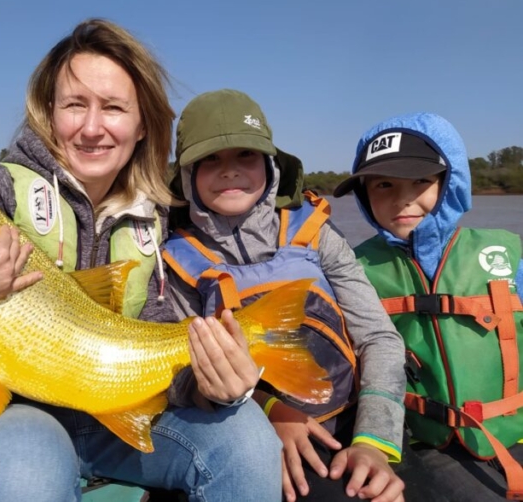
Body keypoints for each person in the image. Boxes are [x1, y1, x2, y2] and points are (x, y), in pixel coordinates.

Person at [0, 20, 282, 501]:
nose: (92, 127)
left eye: (114, 108)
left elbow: (158, 344)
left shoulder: (154, 218)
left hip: (116, 415)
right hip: (6, 420)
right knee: (28, 470)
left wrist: (210, 385)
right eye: (75, 104)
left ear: (142, 126)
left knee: (246, 439)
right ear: (48, 112)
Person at [163, 89, 409, 502]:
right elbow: (185, 376)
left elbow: (379, 339)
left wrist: (372, 443)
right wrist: (270, 410)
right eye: (210, 160)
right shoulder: (176, 260)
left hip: (345, 432)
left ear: (270, 164)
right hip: (245, 432)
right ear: (187, 175)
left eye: (246, 155)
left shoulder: (317, 234)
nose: (229, 171)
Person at [333, 111, 523, 501]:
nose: (402, 198)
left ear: (449, 183)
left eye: (420, 180)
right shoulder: (351, 269)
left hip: (514, 430)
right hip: (424, 445)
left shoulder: (509, 250)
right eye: (383, 184)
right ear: (364, 194)